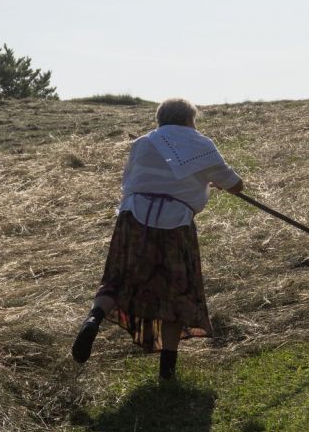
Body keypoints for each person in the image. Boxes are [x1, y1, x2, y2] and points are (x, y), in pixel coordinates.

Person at [71, 98, 244, 380]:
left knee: (117, 277)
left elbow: (131, 181)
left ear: (160, 119)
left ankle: (93, 319)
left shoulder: (142, 143)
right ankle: (167, 371)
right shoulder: (200, 144)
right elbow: (235, 185)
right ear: (190, 120)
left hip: (132, 219)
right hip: (175, 225)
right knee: (176, 291)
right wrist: (213, 182)